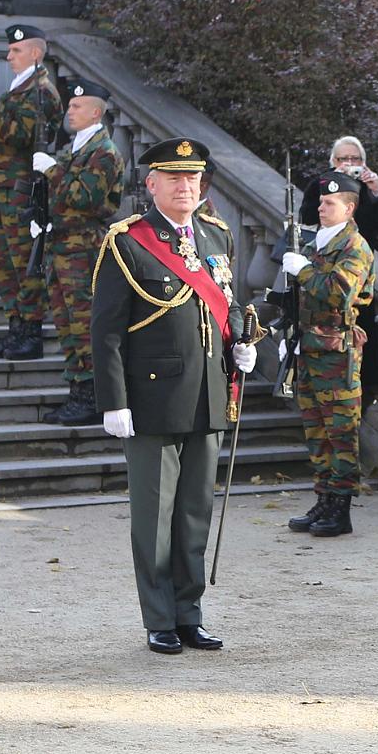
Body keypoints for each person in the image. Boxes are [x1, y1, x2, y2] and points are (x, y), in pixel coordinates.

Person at [90, 138, 253, 655]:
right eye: (174, 179)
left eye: (193, 179)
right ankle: (159, 618)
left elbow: (225, 306)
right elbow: (107, 331)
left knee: (193, 514)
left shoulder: (216, 236)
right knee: (155, 518)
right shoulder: (130, 242)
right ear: (152, 184)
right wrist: (113, 400)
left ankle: (190, 614)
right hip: (152, 399)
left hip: (207, 394)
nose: (186, 187)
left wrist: (242, 346)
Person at [281, 169, 377, 537]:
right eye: (320, 201)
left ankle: (341, 507)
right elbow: (300, 298)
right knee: (316, 432)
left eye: (330, 203)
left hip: (338, 354)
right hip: (308, 349)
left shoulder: (355, 248)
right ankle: (323, 498)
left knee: (341, 433)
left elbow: (338, 293)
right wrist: (287, 330)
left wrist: (304, 271)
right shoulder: (317, 243)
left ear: (349, 208)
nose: (321, 207)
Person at [0, 24, 62, 360]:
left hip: (21, 191)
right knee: (3, 263)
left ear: (35, 53)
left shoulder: (42, 92)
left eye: (17, 51)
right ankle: (15, 327)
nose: (10, 56)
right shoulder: (17, 90)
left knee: (24, 263)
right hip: (0, 187)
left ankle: (31, 331)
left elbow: (21, 135)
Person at [40, 77, 125, 426]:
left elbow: (83, 198)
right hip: (60, 244)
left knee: (84, 323)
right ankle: (77, 389)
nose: (69, 111)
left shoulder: (104, 153)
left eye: (76, 106)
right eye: (69, 105)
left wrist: (52, 171)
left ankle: (92, 395)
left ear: (95, 112)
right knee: (65, 322)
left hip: (84, 247)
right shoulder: (73, 148)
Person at [301, 136, 378, 403]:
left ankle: (364, 393)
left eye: (354, 159)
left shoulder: (369, 189)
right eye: (343, 159)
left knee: (362, 333)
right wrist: (331, 186)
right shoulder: (321, 186)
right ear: (332, 161)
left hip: (357, 270)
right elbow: (308, 217)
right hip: (325, 267)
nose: (348, 164)